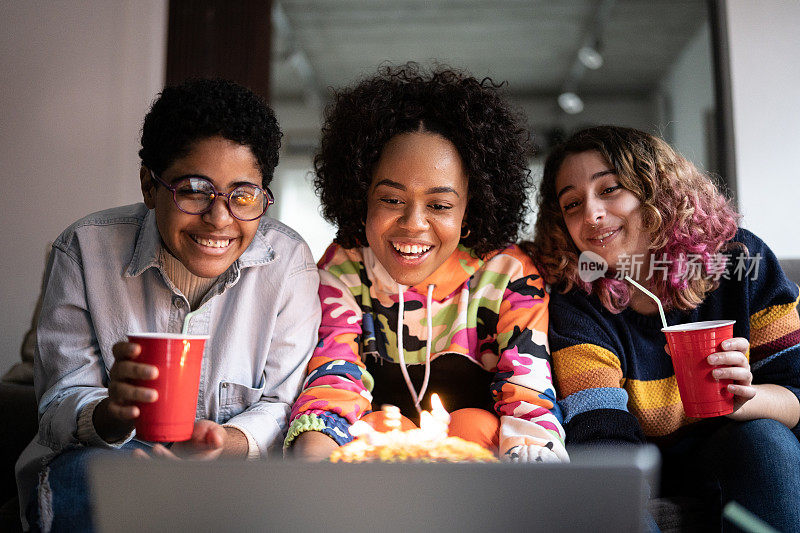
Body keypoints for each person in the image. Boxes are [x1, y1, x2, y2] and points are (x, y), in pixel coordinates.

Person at [15, 78, 321, 531]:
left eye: (243, 195)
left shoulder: (289, 265)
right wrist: (111, 414)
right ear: (149, 185)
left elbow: (281, 403)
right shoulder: (83, 250)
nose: (220, 218)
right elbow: (59, 400)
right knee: (90, 474)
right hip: (112, 458)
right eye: (195, 190)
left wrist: (221, 443)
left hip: (230, 467)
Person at [285, 63, 567, 464]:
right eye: (391, 200)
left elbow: (529, 398)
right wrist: (314, 470)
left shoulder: (511, 276)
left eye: (439, 205)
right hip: (378, 475)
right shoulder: (344, 267)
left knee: (473, 424)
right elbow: (332, 380)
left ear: (471, 209)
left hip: (480, 476)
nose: (413, 224)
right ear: (360, 196)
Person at [529, 125, 800, 531]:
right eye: (571, 204)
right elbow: (601, 430)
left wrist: (746, 397)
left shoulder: (741, 261)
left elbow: (795, 392)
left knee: (766, 441)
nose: (591, 214)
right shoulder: (576, 299)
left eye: (609, 189)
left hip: (731, 450)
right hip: (635, 462)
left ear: (655, 190)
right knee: (609, 493)